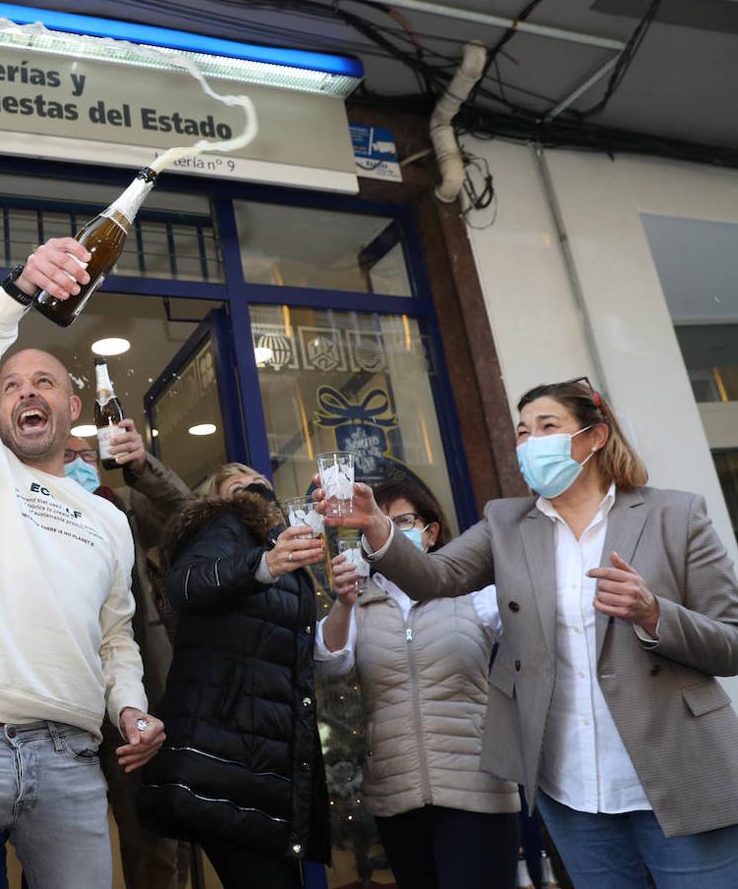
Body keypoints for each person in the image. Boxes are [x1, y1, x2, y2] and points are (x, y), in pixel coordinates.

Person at [328, 378, 738, 888]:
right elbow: (436, 577)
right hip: (572, 785)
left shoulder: (675, 514)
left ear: (595, 437)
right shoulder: (507, 522)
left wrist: (655, 615)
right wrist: (375, 526)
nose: (530, 442)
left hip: (678, 769)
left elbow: (730, 642)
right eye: (522, 432)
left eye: (548, 426)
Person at [0, 237, 165, 889]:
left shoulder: (108, 518)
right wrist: (17, 293)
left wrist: (128, 705)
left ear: (73, 409)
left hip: (70, 757)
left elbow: (115, 635)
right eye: (11, 386)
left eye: (44, 381)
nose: (26, 392)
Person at [317, 470, 520, 888]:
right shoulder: (362, 602)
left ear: (431, 532)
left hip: (477, 788)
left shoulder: (475, 595)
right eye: (381, 524)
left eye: (403, 522)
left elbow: (534, 638)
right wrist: (343, 603)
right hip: (397, 794)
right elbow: (330, 662)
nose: (391, 532)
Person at [140, 463, 330, 888]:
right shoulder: (226, 524)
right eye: (237, 486)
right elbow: (186, 583)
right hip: (226, 760)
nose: (253, 488)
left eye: (258, 481)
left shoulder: (280, 552)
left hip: (263, 766)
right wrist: (263, 564)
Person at [64, 428, 192, 889]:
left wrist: (142, 467)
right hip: (64, 696)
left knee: (149, 833)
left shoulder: (124, 507)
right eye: (66, 455)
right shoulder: (33, 507)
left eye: (85, 454)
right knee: (56, 840)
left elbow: (185, 514)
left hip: (136, 689)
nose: (78, 462)